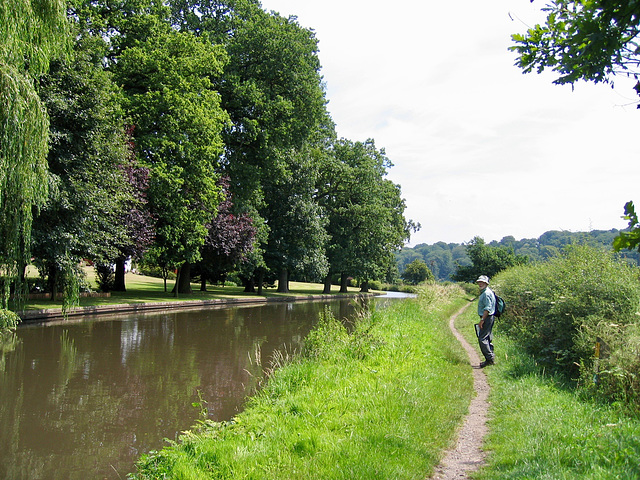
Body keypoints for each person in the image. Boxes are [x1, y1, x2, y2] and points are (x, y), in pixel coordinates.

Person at [476, 275, 496, 367]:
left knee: (482, 338)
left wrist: (482, 320)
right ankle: (490, 358)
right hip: (489, 317)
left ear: (486, 283)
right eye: (479, 282)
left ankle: (489, 358)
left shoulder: (486, 293)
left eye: (482, 282)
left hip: (487, 317)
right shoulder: (487, 292)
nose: (480, 284)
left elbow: (487, 308)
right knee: (487, 337)